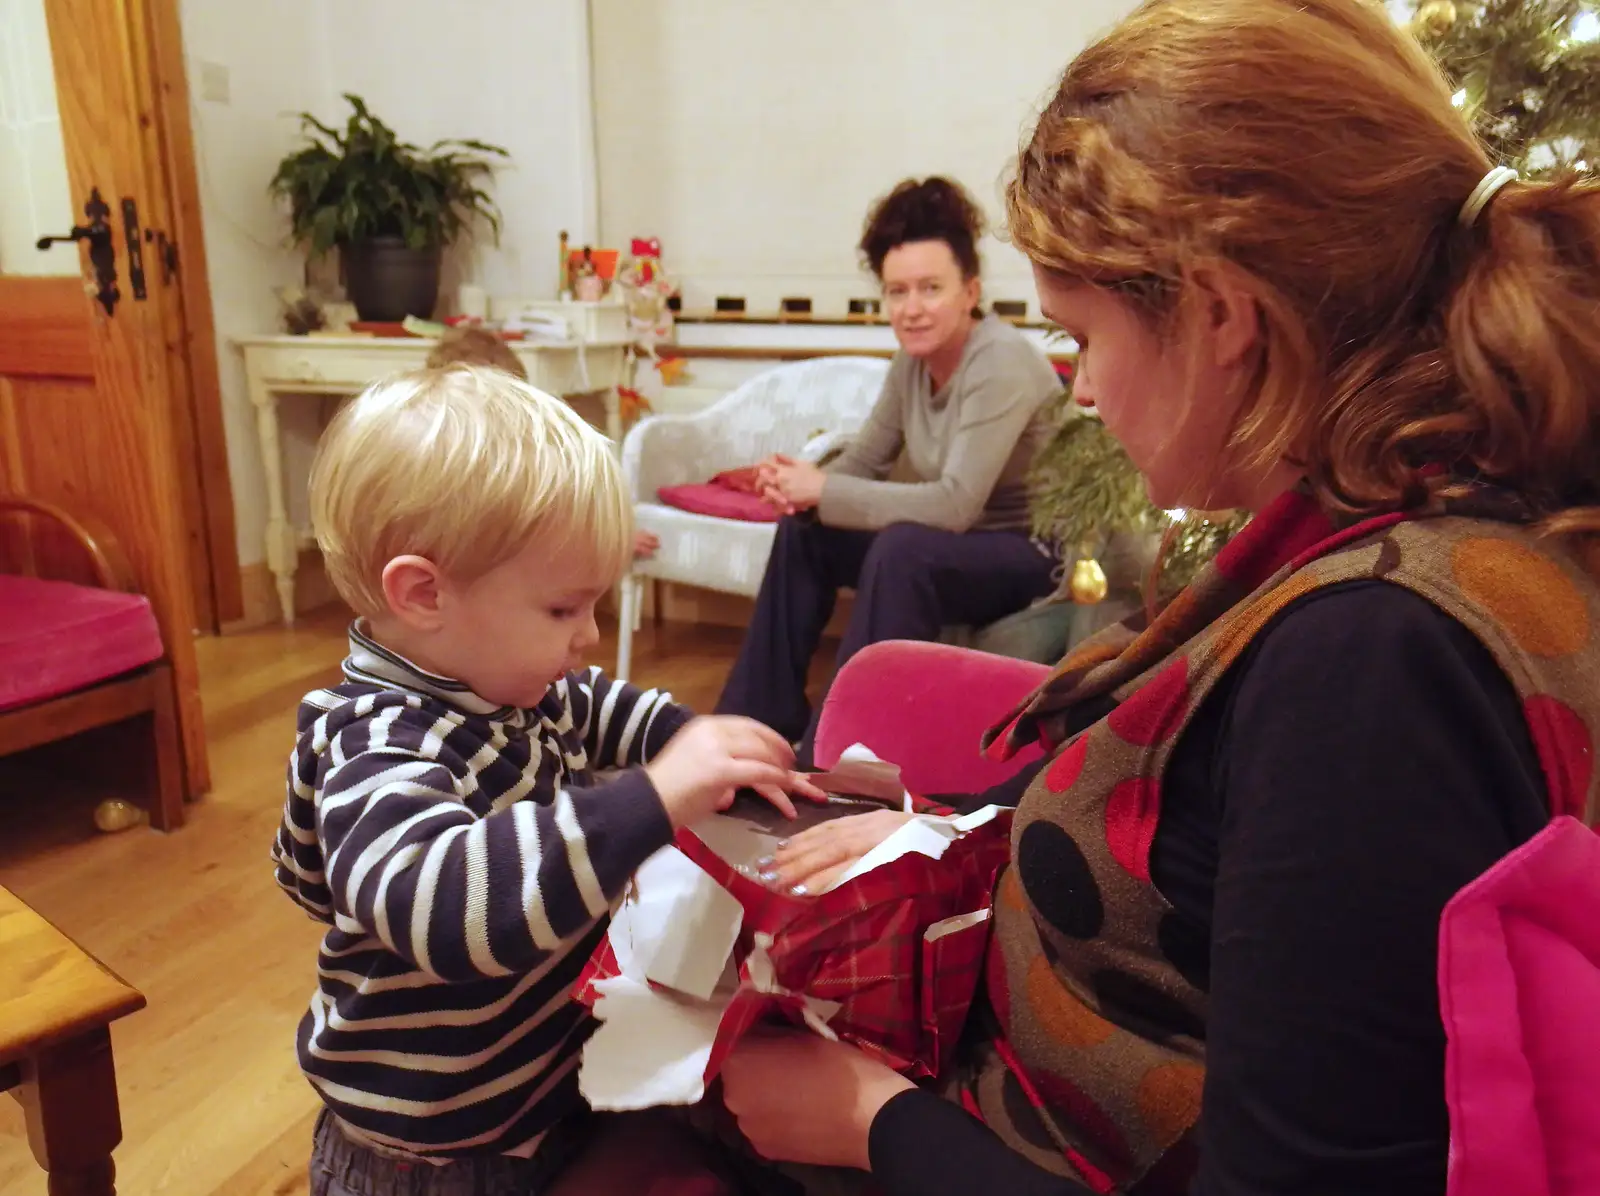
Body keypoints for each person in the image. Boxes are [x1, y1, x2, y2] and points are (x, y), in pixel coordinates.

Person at [712, 2, 1600, 1193]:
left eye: (1084, 335)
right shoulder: (1399, 531)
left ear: (1222, 315)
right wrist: (948, 825)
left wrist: (872, 1119)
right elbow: (1192, 803)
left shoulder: (1374, 665)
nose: (1081, 390)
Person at [270, 363, 818, 1196]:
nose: (588, 636)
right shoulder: (376, 743)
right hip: (430, 1155)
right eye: (562, 610)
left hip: (536, 1099)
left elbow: (602, 707)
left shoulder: (510, 684)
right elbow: (451, 906)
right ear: (424, 594)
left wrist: (699, 741)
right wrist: (656, 794)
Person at [715, 176, 1062, 763]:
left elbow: (955, 505)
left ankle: (834, 753)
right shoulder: (912, 364)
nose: (912, 308)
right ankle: (751, 723)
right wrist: (801, 491)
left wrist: (824, 488)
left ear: (970, 291)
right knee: (808, 533)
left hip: (1031, 552)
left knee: (902, 550)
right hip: (955, 545)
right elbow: (865, 460)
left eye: (931, 288)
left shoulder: (1000, 362)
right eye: (897, 292)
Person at [425, 324, 661, 559]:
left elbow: (558, 511)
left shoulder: (521, 455)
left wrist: (608, 536)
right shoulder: (441, 460)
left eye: (513, 401)